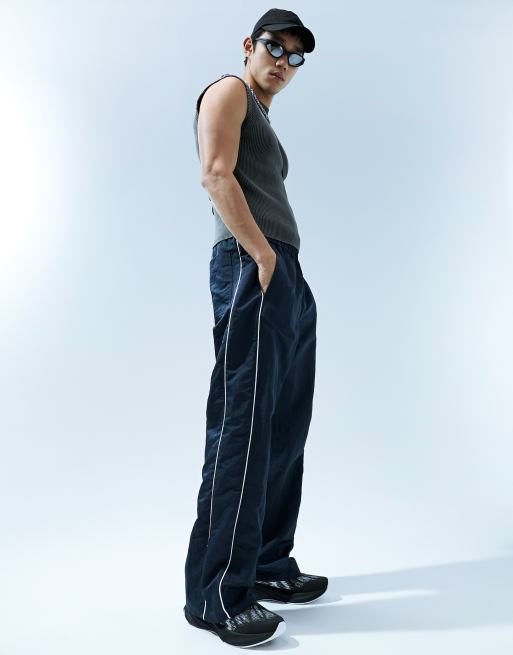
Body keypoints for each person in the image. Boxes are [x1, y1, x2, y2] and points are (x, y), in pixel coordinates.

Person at [183, 9, 327, 647]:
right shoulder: (228, 90)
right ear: (250, 45)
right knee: (243, 424)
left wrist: (282, 266)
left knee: (286, 422)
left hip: (282, 270)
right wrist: (263, 255)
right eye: (275, 47)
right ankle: (217, 594)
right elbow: (216, 174)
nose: (283, 63)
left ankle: (266, 562)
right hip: (253, 265)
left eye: (296, 57)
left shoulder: (263, 114)